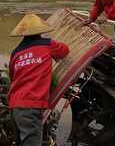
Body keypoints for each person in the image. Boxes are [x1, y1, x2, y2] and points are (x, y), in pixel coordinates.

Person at [8, 14, 69, 146]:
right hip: (31, 105)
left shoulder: (16, 52)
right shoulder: (47, 45)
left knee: (21, 142)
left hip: (15, 106)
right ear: (41, 31)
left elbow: (13, 76)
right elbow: (65, 50)